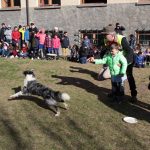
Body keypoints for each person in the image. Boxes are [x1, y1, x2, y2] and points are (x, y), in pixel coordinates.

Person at [100, 24, 137, 103]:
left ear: (111, 34)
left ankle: (134, 95)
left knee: (129, 76)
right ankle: (114, 92)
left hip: (127, 59)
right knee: (114, 74)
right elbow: (104, 51)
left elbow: (130, 51)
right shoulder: (106, 40)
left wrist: (125, 63)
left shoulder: (121, 39)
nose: (104, 36)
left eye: (105, 34)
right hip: (116, 60)